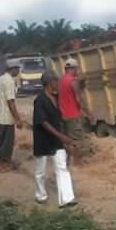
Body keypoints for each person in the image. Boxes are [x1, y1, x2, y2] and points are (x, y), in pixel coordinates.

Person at [33, 70, 77, 208]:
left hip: (56, 140)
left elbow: (59, 120)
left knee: (62, 168)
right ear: (49, 82)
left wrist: (64, 137)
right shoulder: (40, 100)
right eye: (56, 80)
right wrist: (61, 136)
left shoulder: (56, 98)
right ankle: (40, 195)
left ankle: (66, 199)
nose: (57, 83)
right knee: (40, 171)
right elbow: (43, 122)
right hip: (43, 139)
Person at [58, 59, 92, 163]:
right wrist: (89, 113)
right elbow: (79, 100)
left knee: (67, 140)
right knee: (78, 141)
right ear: (74, 68)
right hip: (73, 115)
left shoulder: (61, 80)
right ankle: (78, 164)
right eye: (77, 68)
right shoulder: (73, 82)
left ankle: (68, 162)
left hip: (63, 115)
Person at [0, 59, 23, 172]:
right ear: (14, 69)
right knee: (7, 142)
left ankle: (2, 162)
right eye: (18, 69)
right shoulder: (10, 81)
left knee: (1, 142)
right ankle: (4, 165)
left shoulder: (0, 79)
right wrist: (18, 119)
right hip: (6, 118)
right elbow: (10, 102)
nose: (19, 71)